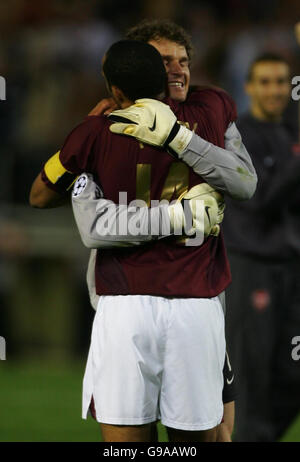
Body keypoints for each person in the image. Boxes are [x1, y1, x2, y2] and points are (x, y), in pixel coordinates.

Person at [30, 29, 256, 442]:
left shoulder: (97, 131)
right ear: (148, 69)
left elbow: (45, 198)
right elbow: (244, 183)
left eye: (183, 61)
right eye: (165, 62)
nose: (176, 70)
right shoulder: (213, 109)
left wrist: (84, 135)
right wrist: (184, 212)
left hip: (139, 301)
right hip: (182, 303)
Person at [223, 53, 300, 442]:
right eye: (265, 82)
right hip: (251, 265)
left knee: (292, 372)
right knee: (252, 375)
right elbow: (256, 200)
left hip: (289, 267)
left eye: (282, 81)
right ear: (250, 87)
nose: (274, 89)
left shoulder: (290, 135)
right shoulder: (240, 136)